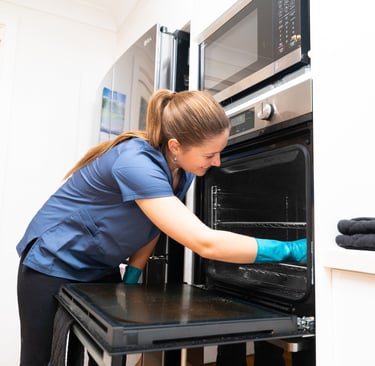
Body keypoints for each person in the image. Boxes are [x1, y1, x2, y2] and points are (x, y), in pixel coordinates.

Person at [16, 89, 307, 366]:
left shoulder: (183, 170)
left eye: (219, 152)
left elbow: (154, 224)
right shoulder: (135, 161)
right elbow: (204, 242)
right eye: (209, 155)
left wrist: (133, 274)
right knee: (39, 359)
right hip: (52, 259)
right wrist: (290, 250)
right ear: (175, 146)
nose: (217, 162)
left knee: (97, 355)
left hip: (98, 261)